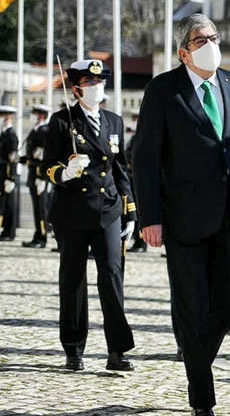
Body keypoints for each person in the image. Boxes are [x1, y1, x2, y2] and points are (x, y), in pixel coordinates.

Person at [134, 13, 230, 416]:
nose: (211, 43)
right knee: (192, 306)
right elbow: (146, 159)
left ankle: (194, 354)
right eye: (200, 39)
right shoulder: (163, 89)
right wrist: (149, 217)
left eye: (214, 36)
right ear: (183, 51)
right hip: (183, 219)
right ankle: (202, 398)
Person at [42, 59, 136, 372]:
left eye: (100, 82)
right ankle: (73, 347)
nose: (97, 88)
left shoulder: (114, 121)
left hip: (108, 210)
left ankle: (117, 351)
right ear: (77, 87)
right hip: (72, 212)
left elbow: (121, 168)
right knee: (73, 280)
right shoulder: (60, 122)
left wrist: (130, 209)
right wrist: (65, 173)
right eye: (90, 83)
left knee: (112, 276)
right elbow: (46, 166)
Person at [20, 104, 51, 248]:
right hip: (33, 175)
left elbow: (44, 157)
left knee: (41, 208)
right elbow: (33, 155)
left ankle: (42, 237)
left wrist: (42, 178)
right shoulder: (36, 130)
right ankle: (37, 235)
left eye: (35, 113)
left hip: (39, 177)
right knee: (37, 208)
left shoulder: (44, 131)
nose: (32, 115)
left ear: (42, 116)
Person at [125, 110, 147, 253]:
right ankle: (138, 241)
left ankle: (141, 242)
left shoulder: (143, 137)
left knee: (140, 210)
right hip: (132, 177)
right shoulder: (133, 138)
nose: (134, 121)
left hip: (139, 179)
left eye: (136, 118)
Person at [0, 106, 19, 241]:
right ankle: (5, 231)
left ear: (7, 118)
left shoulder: (11, 135)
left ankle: (9, 232)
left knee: (9, 205)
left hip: (8, 175)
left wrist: (10, 178)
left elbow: (13, 158)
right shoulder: (4, 134)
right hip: (2, 174)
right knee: (4, 204)